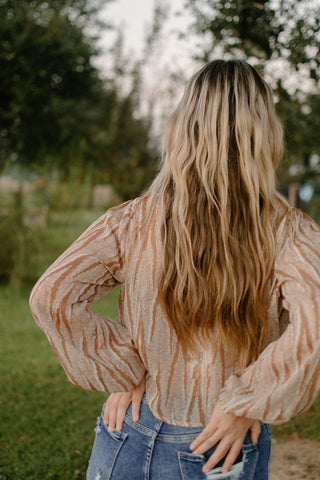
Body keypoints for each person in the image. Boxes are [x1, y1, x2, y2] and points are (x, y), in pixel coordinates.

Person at [29, 60, 320, 480]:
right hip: (218, 445)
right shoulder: (288, 232)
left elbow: (51, 297)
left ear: (183, 125)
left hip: (125, 432)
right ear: (265, 130)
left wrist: (123, 370)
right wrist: (248, 402)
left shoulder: (131, 220)